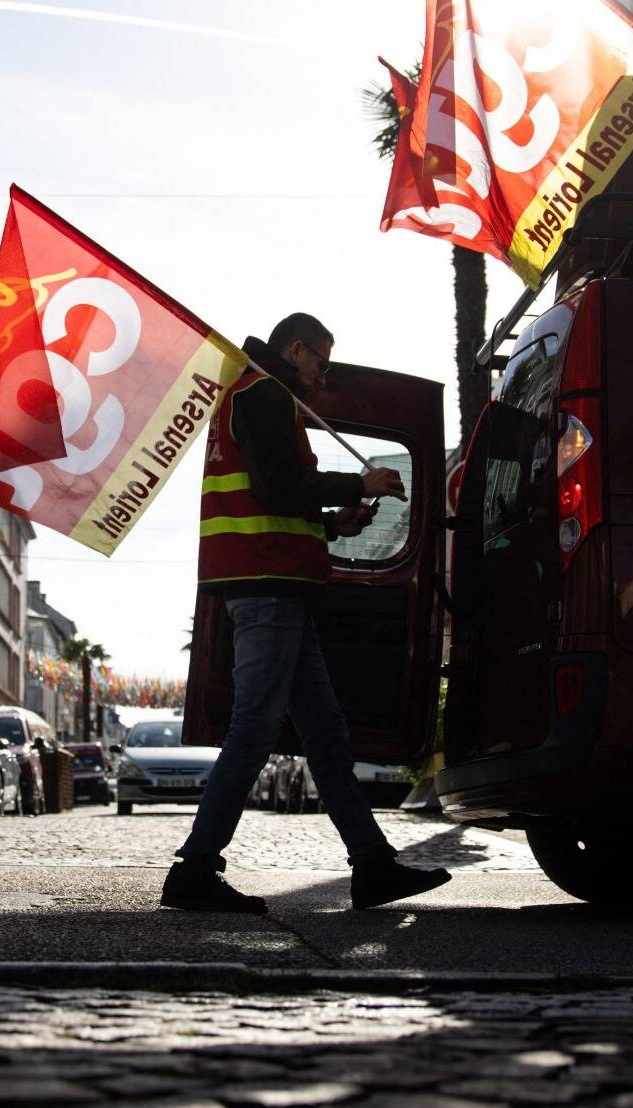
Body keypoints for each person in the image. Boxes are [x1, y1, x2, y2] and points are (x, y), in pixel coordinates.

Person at [162, 313, 450, 913]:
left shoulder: (249, 394)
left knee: (325, 736)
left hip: (275, 583)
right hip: (270, 586)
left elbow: (274, 496)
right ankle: (194, 870)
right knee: (254, 731)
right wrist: (360, 483)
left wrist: (332, 524)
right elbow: (281, 485)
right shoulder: (266, 393)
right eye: (321, 357)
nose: (325, 370)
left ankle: (372, 865)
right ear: (296, 349)